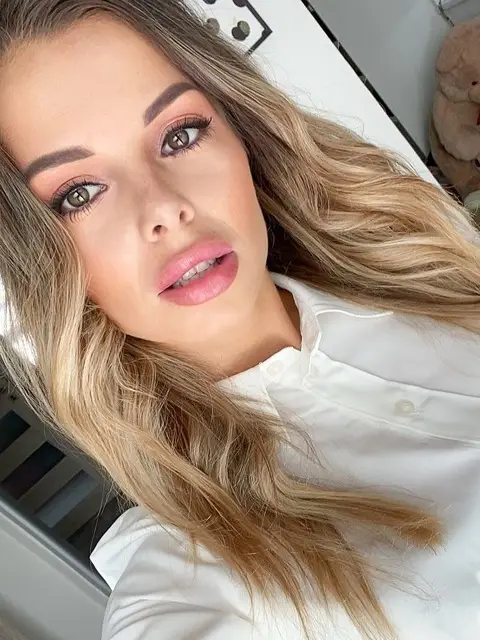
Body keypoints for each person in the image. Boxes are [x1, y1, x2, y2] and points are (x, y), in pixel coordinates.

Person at [0, 1, 479, 638]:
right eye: (79, 194)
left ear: (238, 130)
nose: (164, 208)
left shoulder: (431, 266)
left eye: (178, 136)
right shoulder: (185, 585)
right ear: (40, 260)